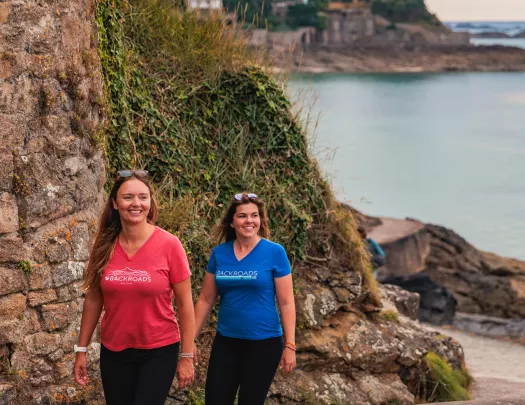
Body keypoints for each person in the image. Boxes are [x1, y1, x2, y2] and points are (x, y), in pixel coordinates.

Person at [73, 170, 195, 405]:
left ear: (150, 202)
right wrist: (81, 349)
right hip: (114, 349)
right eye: (128, 197)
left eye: (143, 197)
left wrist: (187, 355)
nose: (136, 203)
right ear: (115, 203)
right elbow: (94, 300)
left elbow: (185, 304)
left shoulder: (170, 245)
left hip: (159, 349)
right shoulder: (103, 246)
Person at [193, 193, 296, 405]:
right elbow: (206, 298)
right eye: (242, 216)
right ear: (232, 222)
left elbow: (286, 303)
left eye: (254, 215)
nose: (249, 220)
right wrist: (190, 339)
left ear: (260, 220)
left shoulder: (275, 252)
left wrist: (290, 345)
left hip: (264, 344)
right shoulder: (219, 254)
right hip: (226, 342)